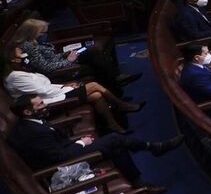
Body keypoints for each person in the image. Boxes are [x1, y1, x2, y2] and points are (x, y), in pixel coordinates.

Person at [9, 95, 180, 187]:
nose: (45, 105)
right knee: (113, 139)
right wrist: (81, 142)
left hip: (65, 152)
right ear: (27, 112)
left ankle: (140, 182)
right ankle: (153, 148)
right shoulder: (34, 132)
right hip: (62, 167)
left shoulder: (31, 123)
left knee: (116, 145)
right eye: (40, 105)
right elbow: (58, 158)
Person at [7, 43, 141, 132]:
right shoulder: (15, 77)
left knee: (96, 95)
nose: (23, 55)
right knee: (94, 85)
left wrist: (64, 85)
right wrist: (66, 88)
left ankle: (113, 125)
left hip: (54, 93)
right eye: (20, 54)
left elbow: (44, 85)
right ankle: (122, 105)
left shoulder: (22, 71)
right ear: (13, 60)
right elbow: (44, 91)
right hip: (49, 102)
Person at [8, 17, 128, 95]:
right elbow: (46, 67)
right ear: (32, 33)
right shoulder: (29, 46)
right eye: (43, 33)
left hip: (62, 62)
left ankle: (116, 83)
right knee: (94, 64)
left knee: (92, 52)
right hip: (59, 73)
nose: (45, 35)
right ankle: (116, 88)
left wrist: (65, 55)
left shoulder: (37, 41)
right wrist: (69, 61)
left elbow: (51, 57)